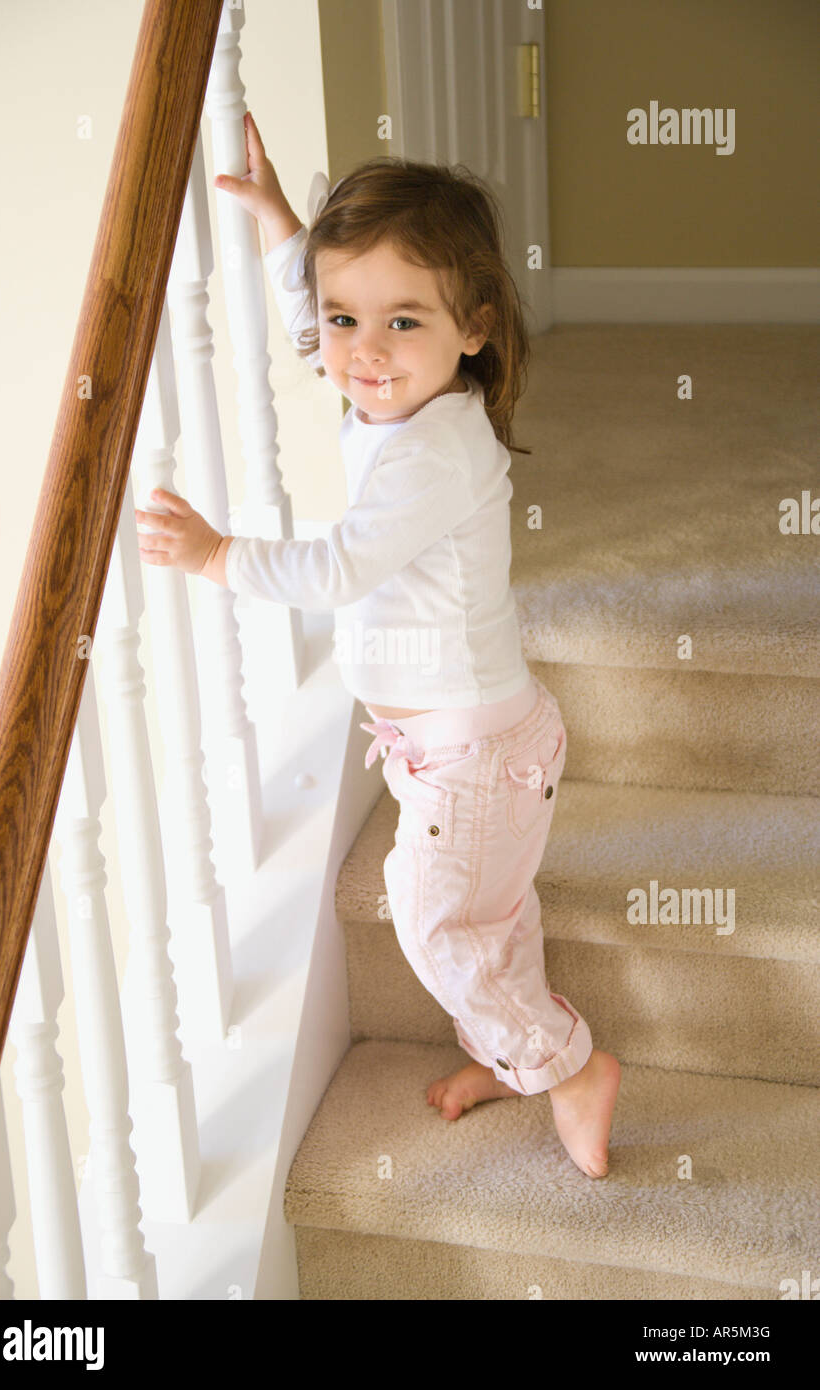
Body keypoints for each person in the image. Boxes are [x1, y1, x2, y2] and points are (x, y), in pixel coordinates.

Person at [136, 110, 621, 1178]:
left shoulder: (431, 454)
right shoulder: (392, 395)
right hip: (465, 748)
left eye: (404, 322)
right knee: (484, 917)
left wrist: (220, 555)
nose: (360, 351)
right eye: (348, 317)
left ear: (476, 327)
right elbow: (315, 320)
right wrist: (280, 225)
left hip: (475, 757)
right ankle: (514, 1047)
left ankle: (569, 1063)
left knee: (439, 922)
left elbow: (338, 568)